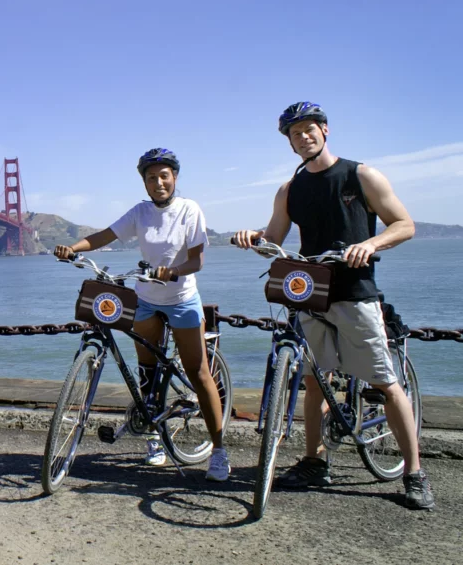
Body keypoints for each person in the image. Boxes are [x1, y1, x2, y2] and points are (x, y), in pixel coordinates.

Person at [233, 102, 434, 510]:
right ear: (289, 143)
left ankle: (414, 472)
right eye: (295, 133)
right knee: (313, 380)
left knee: (384, 381)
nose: (303, 136)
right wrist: (254, 238)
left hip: (356, 292)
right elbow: (274, 238)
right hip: (311, 293)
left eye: (309, 129)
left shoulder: (361, 175)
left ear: (325, 130)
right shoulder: (290, 189)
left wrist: (370, 244)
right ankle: (314, 461)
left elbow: (404, 224)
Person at [54, 148, 229, 481]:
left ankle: (219, 451)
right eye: (152, 177)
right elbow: (105, 235)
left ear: (174, 178)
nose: (159, 182)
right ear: (145, 183)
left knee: (199, 372)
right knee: (147, 372)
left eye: (164, 175)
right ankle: (154, 439)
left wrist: (172, 271)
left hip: (181, 298)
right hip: (146, 299)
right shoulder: (140, 212)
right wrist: (73, 249)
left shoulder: (189, 210)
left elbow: (197, 261)